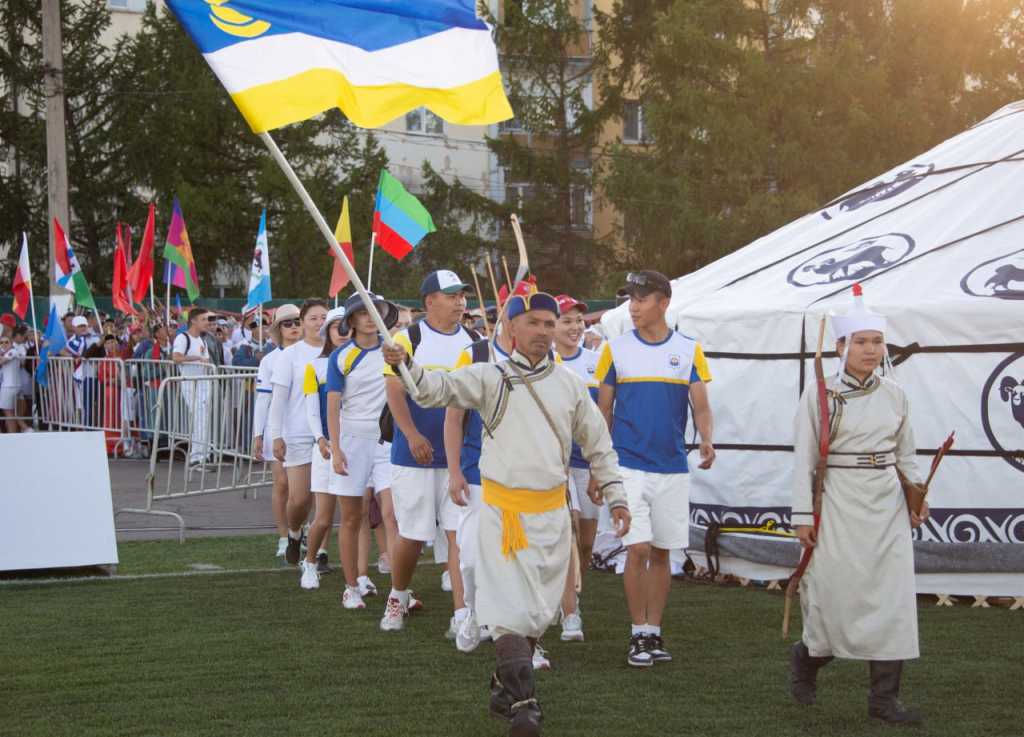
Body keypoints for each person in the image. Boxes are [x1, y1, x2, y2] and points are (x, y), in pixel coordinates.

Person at [382, 291, 631, 736]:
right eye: (533, 323)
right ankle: (524, 705)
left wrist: (616, 495)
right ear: (511, 328)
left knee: (537, 614)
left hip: (553, 517)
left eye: (549, 324)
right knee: (506, 613)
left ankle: (503, 686)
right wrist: (405, 363)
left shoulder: (572, 385)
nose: (543, 332)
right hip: (502, 517)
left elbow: (599, 444)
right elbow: (433, 391)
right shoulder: (488, 376)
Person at [789, 287, 928, 725]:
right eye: (861, 342)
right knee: (835, 598)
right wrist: (801, 516)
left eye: (877, 342)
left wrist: (917, 495)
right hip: (837, 503)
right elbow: (804, 458)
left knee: (892, 600)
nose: (871, 350)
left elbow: (906, 455)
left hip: (886, 503)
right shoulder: (819, 394)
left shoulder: (896, 395)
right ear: (841, 347)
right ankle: (807, 659)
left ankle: (884, 701)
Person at [596, 270, 715, 668]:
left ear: (663, 303)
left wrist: (707, 439)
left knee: (663, 552)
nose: (633, 306)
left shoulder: (688, 348)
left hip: (672, 467)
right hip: (628, 465)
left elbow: (700, 406)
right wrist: (601, 466)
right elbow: (604, 412)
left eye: (641, 299)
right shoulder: (614, 349)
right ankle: (636, 634)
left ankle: (653, 632)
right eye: (631, 298)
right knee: (639, 548)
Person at [379, 270, 479, 633]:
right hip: (414, 455)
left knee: (459, 534)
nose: (460, 302)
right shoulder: (407, 338)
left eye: (462, 295)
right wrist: (412, 434)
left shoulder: (475, 341)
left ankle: (462, 614)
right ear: (429, 301)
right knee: (413, 534)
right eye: (451, 295)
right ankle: (398, 594)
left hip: (461, 458)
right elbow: (395, 391)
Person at [552, 294, 600, 643]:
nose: (575, 327)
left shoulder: (597, 362)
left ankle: (572, 593)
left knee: (584, 542)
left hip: (588, 464)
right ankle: (569, 609)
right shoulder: (545, 363)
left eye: (578, 321)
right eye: (567, 320)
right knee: (565, 534)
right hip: (556, 464)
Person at [268, 299, 328, 564]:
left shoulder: (336, 351)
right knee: (300, 498)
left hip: (329, 435)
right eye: (313, 318)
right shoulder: (289, 356)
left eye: (323, 317)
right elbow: (278, 400)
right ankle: (294, 533)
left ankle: (321, 552)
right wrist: (276, 435)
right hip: (298, 433)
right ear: (303, 323)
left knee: (324, 499)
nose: (319, 323)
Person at [299, 305, 349, 585]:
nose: (341, 333)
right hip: (327, 448)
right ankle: (309, 563)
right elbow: (312, 409)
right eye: (336, 327)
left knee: (358, 515)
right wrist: (320, 439)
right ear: (327, 332)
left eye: (345, 326)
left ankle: (358, 576)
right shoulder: (314, 367)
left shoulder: (362, 361)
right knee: (324, 516)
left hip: (357, 446)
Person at [253, 304, 301, 559]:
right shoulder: (270, 360)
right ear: (278, 329)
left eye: (297, 321)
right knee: (282, 484)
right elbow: (263, 400)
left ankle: (297, 532)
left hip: (305, 428)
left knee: (304, 490)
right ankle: (284, 537)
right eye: (288, 323)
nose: (294, 327)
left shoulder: (314, 354)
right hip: (278, 427)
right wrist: (258, 435)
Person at [172, 308, 216, 466]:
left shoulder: (202, 340)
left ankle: (203, 454)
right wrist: (196, 358)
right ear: (193, 321)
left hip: (204, 383)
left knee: (203, 420)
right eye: (203, 319)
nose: (207, 323)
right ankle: (197, 457)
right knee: (198, 419)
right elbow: (176, 357)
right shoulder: (183, 338)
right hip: (190, 382)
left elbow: (206, 361)